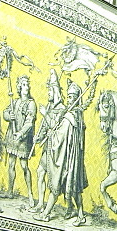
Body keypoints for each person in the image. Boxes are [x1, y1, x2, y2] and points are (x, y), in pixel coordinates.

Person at [36, 80, 89, 225]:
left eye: (72, 97)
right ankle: (80, 215)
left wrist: (47, 119)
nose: (69, 99)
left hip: (65, 159)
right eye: (69, 96)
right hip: (71, 159)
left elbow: (59, 136)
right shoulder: (76, 115)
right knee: (74, 188)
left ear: (77, 98)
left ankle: (45, 214)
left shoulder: (70, 117)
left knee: (57, 184)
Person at [33, 70, 65, 213]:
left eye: (51, 92)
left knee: (53, 180)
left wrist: (46, 114)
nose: (48, 94)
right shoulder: (51, 108)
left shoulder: (62, 110)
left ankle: (47, 208)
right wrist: (38, 137)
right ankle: (40, 202)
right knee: (40, 172)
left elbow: (54, 126)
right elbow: (45, 127)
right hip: (47, 147)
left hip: (56, 151)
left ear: (56, 92)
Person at [3, 75, 37, 206]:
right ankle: (10, 191)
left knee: (24, 166)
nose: (26, 87)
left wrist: (21, 133)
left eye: (27, 84)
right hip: (12, 135)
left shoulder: (31, 104)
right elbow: (6, 112)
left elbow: (29, 122)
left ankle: (30, 194)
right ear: (19, 87)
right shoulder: (15, 102)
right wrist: (8, 115)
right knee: (11, 164)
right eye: (23, 85)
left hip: (23, 138)